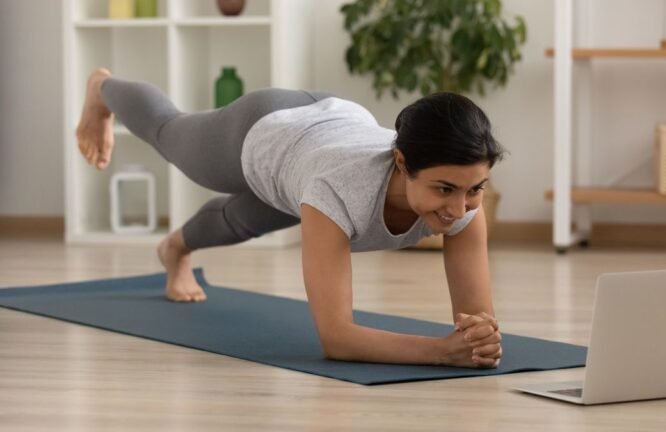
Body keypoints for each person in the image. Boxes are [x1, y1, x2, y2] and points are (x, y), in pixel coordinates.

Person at [76, 68, 504, 369]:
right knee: (169, 133)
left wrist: (477, 340)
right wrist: (442, 351)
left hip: (320, 140)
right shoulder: (336, 192)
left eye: (475, 189)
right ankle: (102, 88)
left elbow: (475, 326)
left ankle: (175, 249)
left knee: (240, 221)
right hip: (265, 128)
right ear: (401, 160)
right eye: (444, 189)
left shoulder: (463, 201)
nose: (459, 207)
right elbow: (337, 338)